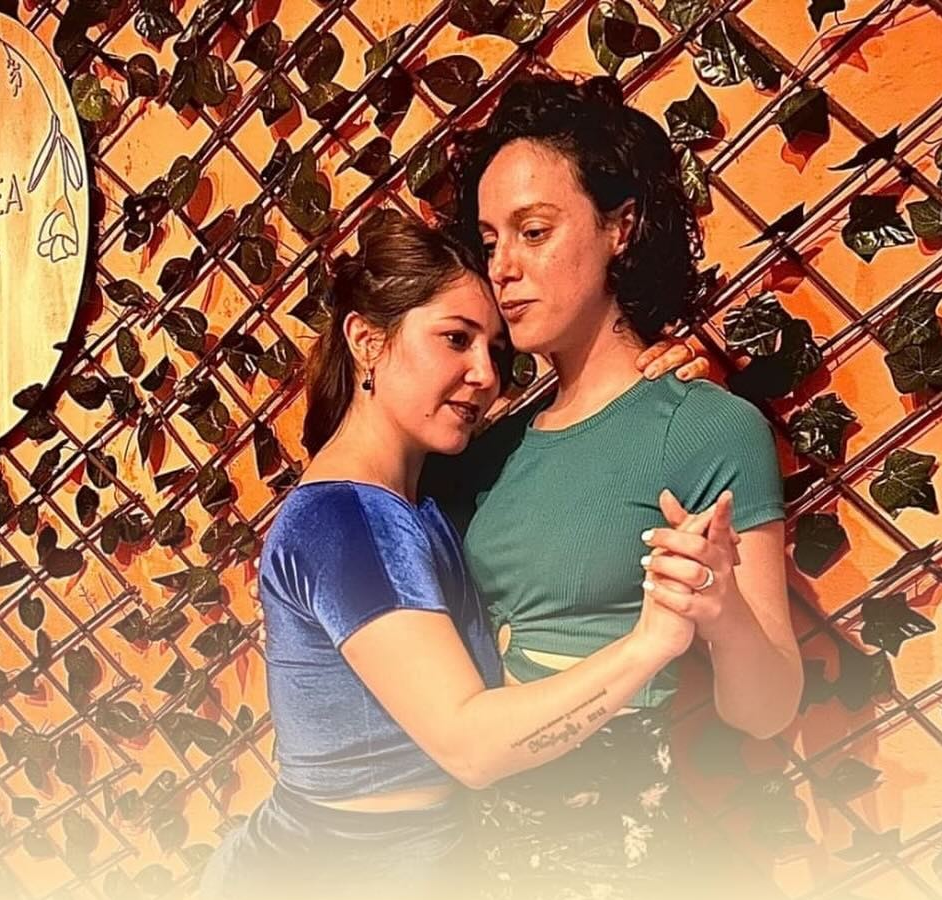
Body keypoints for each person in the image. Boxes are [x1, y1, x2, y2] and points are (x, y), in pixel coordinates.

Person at [195, 209, 708, 900]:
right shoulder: (345, 521)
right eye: (455, 339)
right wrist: (651, 644)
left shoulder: (423, 498)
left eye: (496, 350)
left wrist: (667, 383)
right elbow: (470, 745)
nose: (485, 375)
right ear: (367, 341)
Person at [421, 73, 805, 899]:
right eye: (489, 241)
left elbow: (769, 707)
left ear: (619, 227)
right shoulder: (487, 450)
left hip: (605, 856)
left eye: (534, 231)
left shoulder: (703, 429)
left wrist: (722, 610)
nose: (504, 269)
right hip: (460, 847)